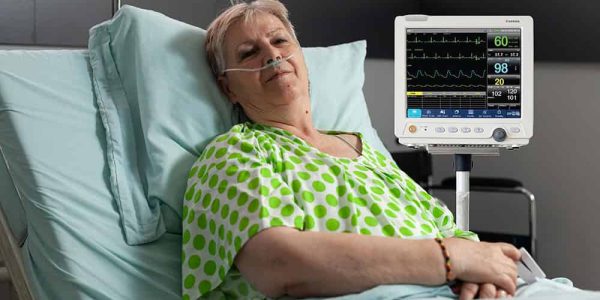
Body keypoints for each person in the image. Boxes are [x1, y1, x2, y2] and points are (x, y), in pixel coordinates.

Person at [181, 1, 522, 299]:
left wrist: (483, 276)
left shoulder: (365, 150)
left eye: (280, 40)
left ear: (302, 58)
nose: (271, 54)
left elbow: (456, 235)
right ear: (229, 88)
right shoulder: (236, 152)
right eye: (248, 53)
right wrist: (449, 260)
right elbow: (279, 263)